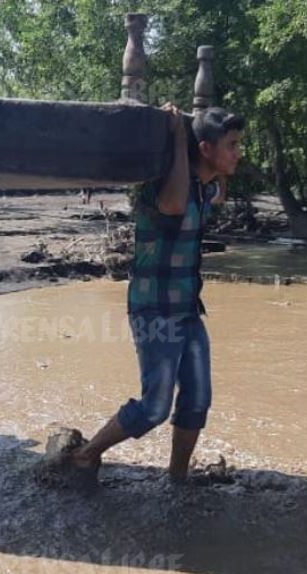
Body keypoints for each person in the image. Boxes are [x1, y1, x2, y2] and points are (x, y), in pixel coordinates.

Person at [61, 105, 244, 484]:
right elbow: (174, 205)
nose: (239, 152)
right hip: (154, 311)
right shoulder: (164, 183)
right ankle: (85, 454)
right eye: (232, 144)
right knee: (155, 407)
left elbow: (217, 193)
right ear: (205, 149)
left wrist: (204, 137)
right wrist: (180, 136)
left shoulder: (203, 186)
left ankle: (177, 479)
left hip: (187, 310)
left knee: (197, 399)